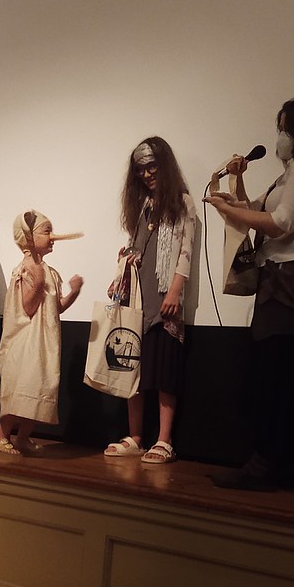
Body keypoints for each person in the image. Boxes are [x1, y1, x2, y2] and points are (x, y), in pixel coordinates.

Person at [203, 97, 294, 490]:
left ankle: (271, 465)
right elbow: (255, 211)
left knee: (283, 373)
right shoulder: (290, 174)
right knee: (276, 372)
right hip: (283, 276)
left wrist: (229, 211)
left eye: (283, 128)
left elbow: (280, 223)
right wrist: (234, 187)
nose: (279, 137)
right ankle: (279, 464)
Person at [103, 136, 196, 465]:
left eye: (152, 167)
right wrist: (122, 272)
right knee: (133, 370)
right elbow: (136, 246)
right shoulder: (143, 206)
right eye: (140, 169)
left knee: (165, 371)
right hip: (137, 299)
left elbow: (185, 251)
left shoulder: (182, 203)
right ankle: (136, 437)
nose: (146, 174)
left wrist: (175, 290)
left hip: (163, 299)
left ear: (164, 165)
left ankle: (164, 439)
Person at [0, 211, 83, 462]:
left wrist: (74, 292)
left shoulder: (48, 271)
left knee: (40, 385)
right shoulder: (26, 268)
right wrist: (38, 283)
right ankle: (1, 437)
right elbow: (28, 307)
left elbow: (56, 307)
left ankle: (23, 438)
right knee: (24, 384)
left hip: (45, 341)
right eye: (46, 231)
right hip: (26, 341)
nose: (52, 237)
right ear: (29, 237)